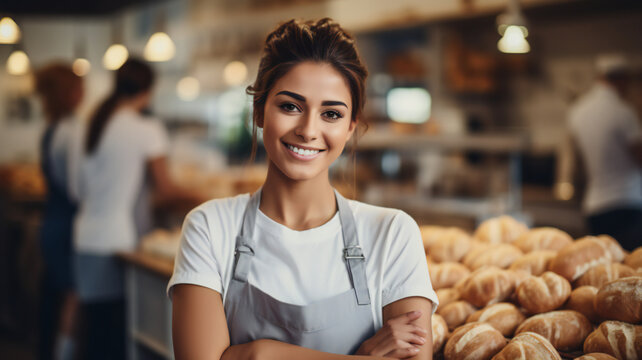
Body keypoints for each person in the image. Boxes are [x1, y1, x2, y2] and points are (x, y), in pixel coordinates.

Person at [169, 18, 438, 359]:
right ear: (259, 111)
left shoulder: (393, 234)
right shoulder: (210, 227)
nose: (309, 130)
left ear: (351, 126)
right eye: (290, 106)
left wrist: (260, 353)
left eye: (331, 114)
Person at [72, 58, 200, 359]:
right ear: (148, 90)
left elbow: (76, 189)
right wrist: (203, 196)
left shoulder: (91, 123)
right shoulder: (145, 128)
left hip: (84, 236)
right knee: (114, 337)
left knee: (95, 331)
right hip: (116, 241)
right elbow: (166, 189)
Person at [568, 54, 642, 251]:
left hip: (594, 205)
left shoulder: (577, 111)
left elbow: (577, 160)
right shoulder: (623, 111)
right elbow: (638, 155)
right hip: (627, 203)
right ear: (620, 80)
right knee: (629, 272)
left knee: (602, 268)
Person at [34, 63, 83, 360]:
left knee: (58, 295)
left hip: (52, 220)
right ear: (71, 92)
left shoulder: (52, 129)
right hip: (67, 223)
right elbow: (77, 188)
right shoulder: (73, 131)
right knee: (73, 296)